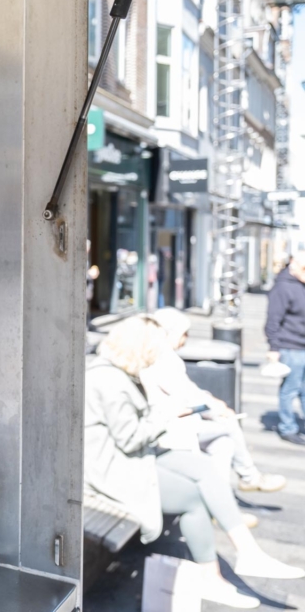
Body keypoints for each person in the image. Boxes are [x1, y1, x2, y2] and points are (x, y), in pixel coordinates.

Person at [85, 316, 303, 609]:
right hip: (114, 469)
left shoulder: (118, 374)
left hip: (130, 458)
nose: (155, 357)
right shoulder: (109, 379)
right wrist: (165, 415)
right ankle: (211, 578)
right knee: (193, 497)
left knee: (203, 468)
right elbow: (130, 438)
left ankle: (249, 552)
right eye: (153, 349)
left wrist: (163, 412)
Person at [145, 308, 286, 495]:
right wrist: (215, 408)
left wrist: (210, 403)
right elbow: (187, 396)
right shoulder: (164, 359)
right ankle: (249, 477)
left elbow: (188, 391)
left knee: (224, 445)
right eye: (184, 333)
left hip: (175, 420)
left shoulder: (160, 356)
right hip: (170, 425)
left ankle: (219, 500)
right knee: (229, 424)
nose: (186, 339)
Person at [264, 256, 305, 445]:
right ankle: (288, 427)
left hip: (301, 345)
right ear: (295, 267)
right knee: (290, 388)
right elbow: (273, 319)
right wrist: (274, 347)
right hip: (291, 346)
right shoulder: (283, 287)